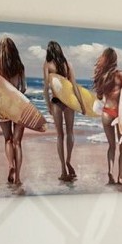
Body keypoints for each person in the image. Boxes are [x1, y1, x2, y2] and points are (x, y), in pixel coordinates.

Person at [92, 47, 122, 186]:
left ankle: (110, 173)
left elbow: (100, 96)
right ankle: (120, 178)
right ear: (114, 60)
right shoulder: (120, 75)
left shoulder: (101, 77)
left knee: (112, 146)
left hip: (106, 113)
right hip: (119, 114)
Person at [0, 37, 27, 188]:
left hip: (3, 104)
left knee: (8, 139)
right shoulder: (20, 65)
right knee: (17, 142)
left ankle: (10, 165)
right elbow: (24, 88)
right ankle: (18, 178)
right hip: (18, 104)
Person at [43, 40, 77, 183]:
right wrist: (80, 104)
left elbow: (46, 87)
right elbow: (74, 86)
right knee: (70, 132)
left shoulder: (47, 65)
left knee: (60, 135)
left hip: (56, 101)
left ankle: (63, 168)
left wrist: (48, 105)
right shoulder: (67, 64)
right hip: (69, 100)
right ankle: (68, 161)